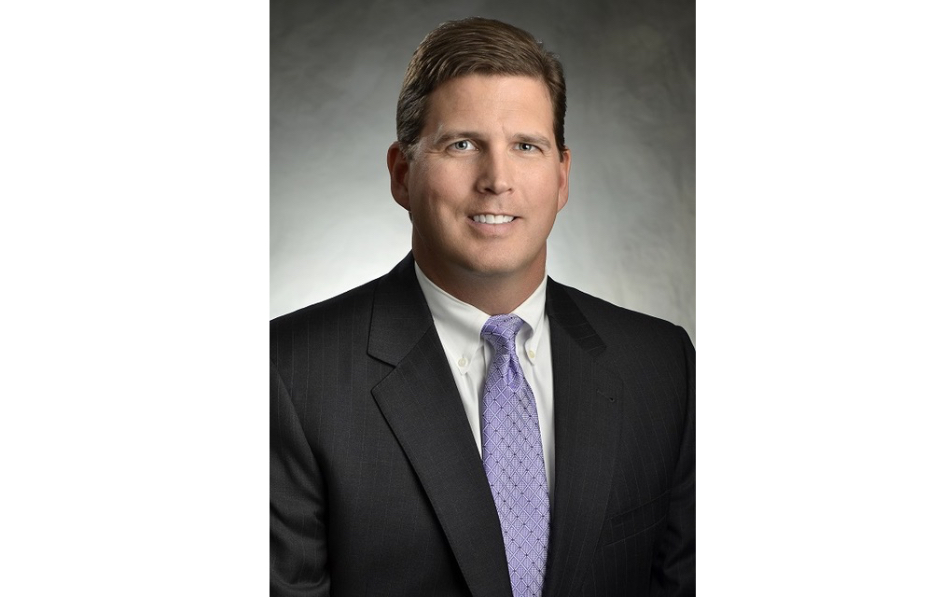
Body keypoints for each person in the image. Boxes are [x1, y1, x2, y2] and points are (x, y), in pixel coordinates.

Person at [271, 17, 695, 597]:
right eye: (462, 145)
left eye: (526, 146)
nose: (497, 180)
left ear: (562, 176)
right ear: (402, 174)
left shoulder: (662, 366)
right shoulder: (291, 376)